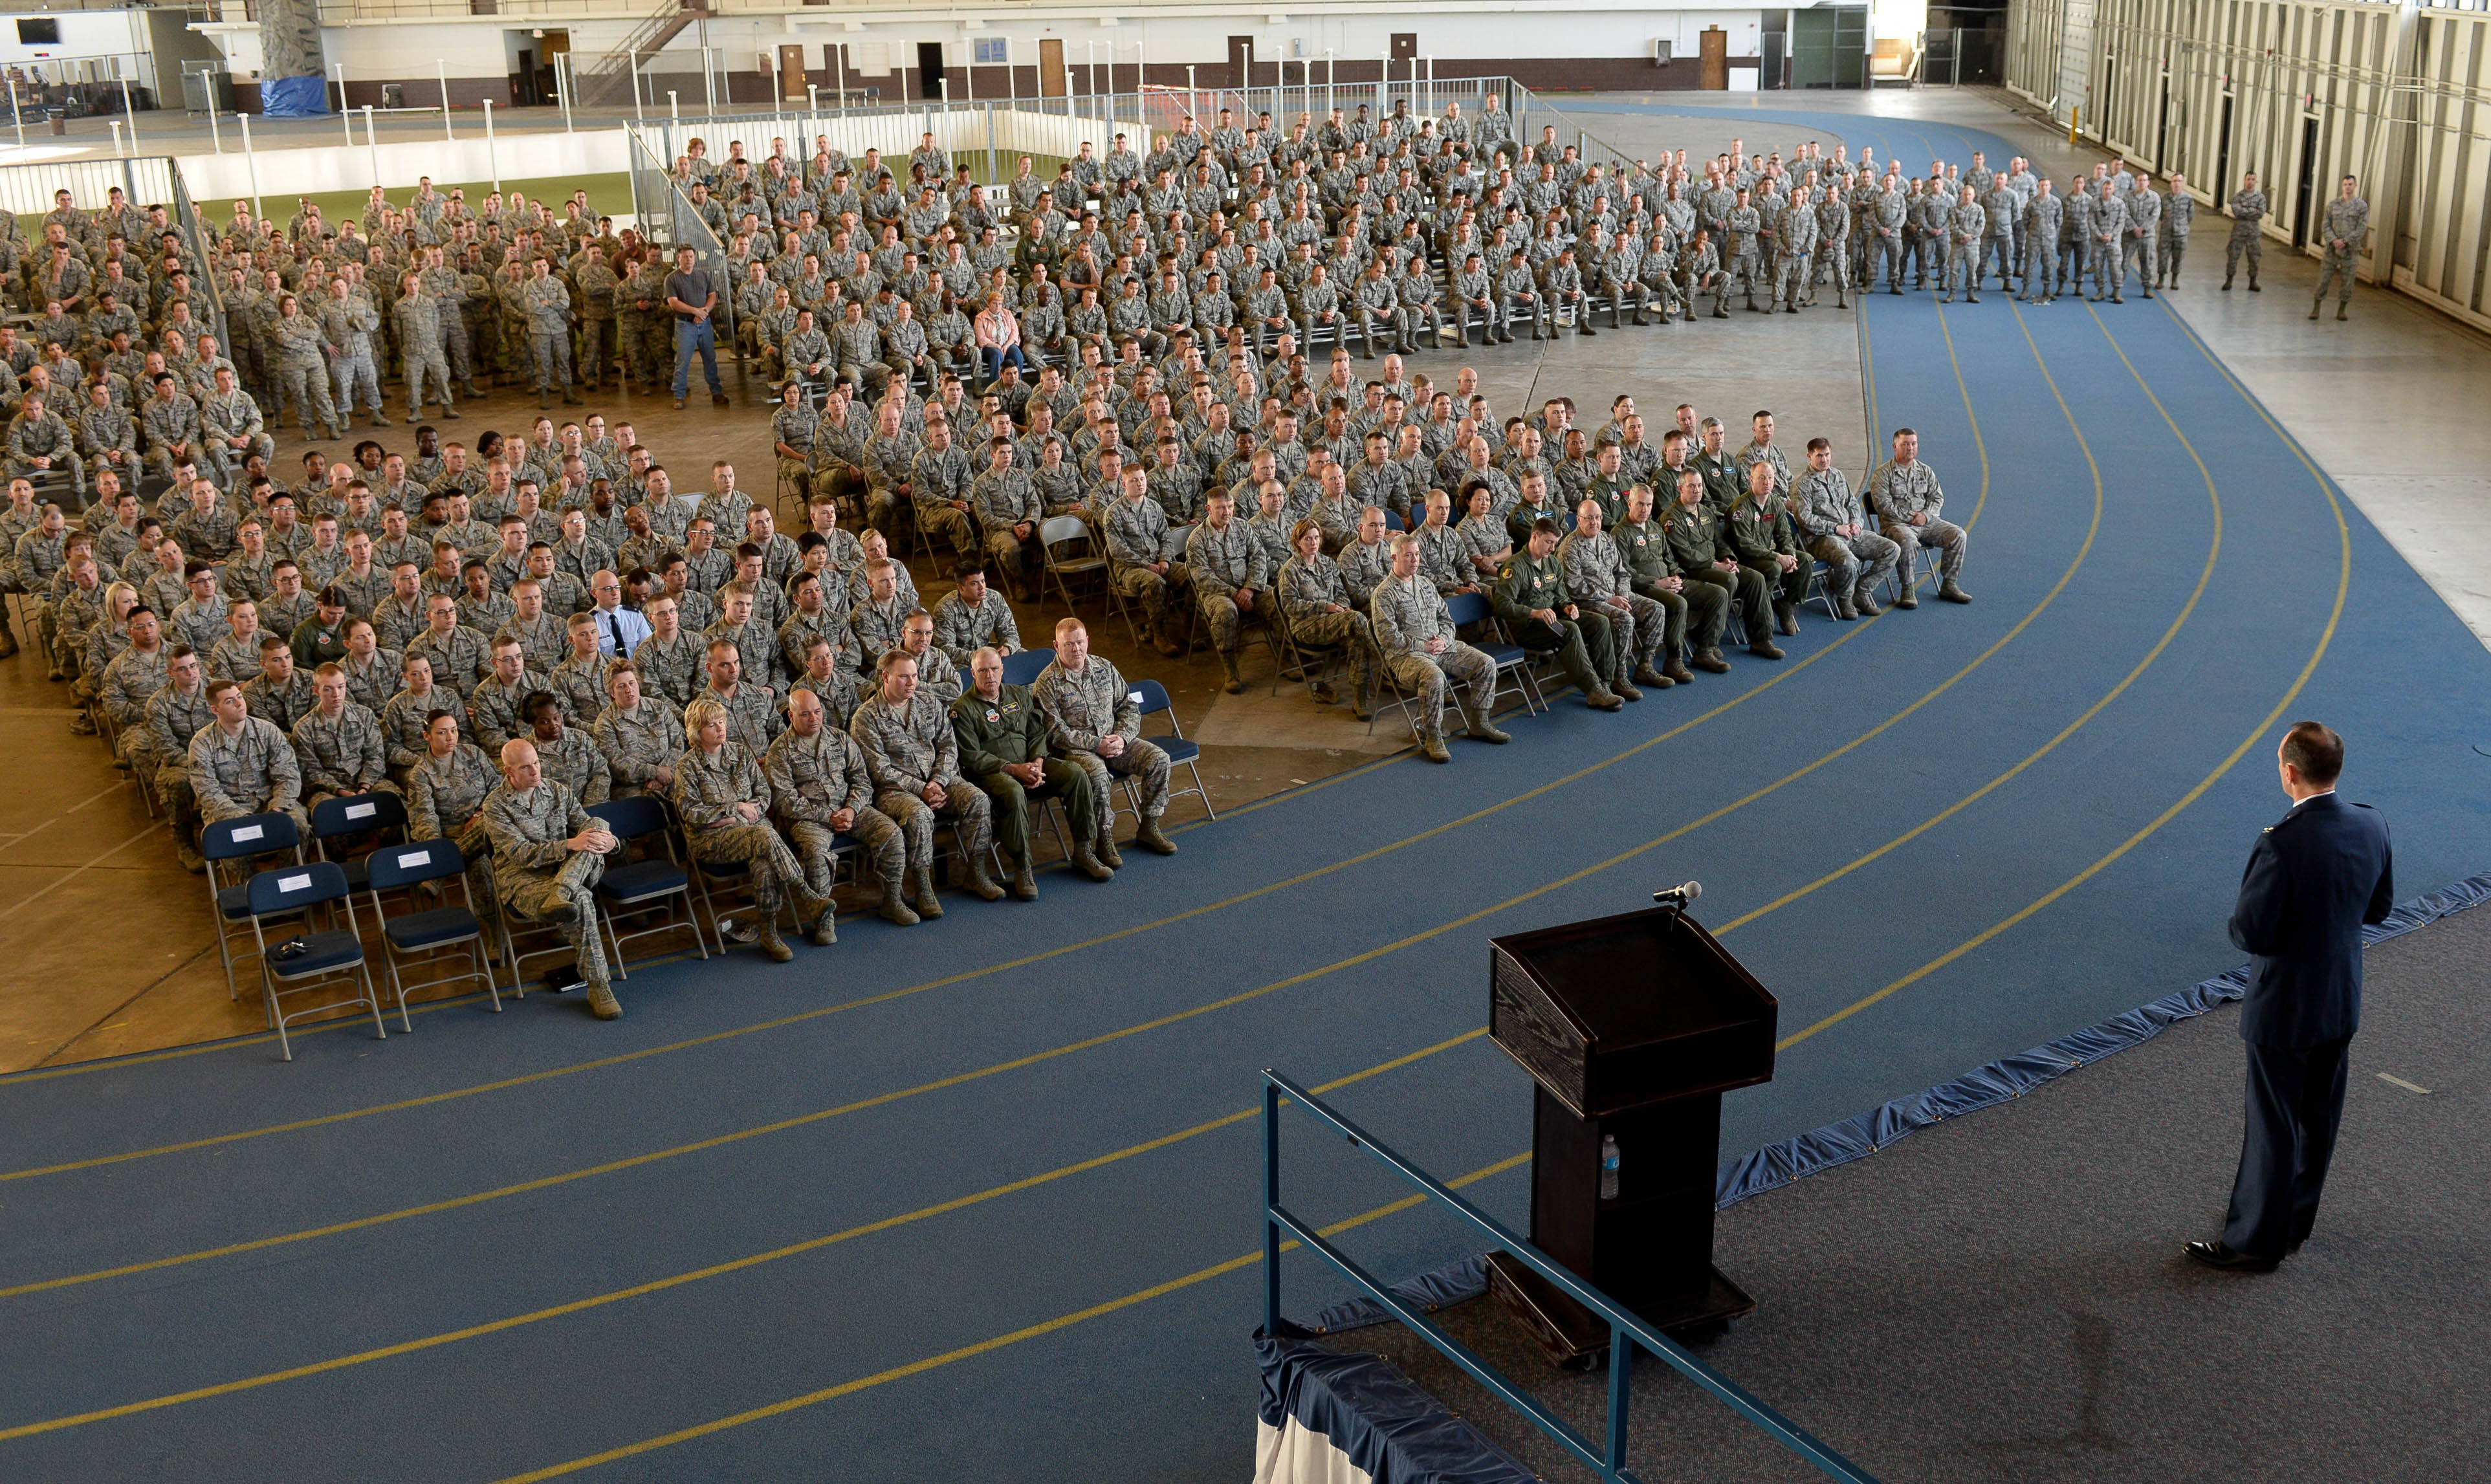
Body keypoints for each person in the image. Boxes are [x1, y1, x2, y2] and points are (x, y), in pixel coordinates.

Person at [2188, 722, 2393, 1272]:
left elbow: (2251, 933)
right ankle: (2295, 1224)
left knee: (2273, 1125)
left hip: (2284, 1008)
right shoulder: (2373, 824)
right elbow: (2378, 910)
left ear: (2290, 773)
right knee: (2317, 1118)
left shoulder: (2280, 844)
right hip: (2341, 996)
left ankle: (2255, 1241)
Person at [674, 693, 839, 958]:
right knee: (764, 835)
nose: (720, 728)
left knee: (763, 862)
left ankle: (769, 932)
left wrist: (738, 817)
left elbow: (764, 795)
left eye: (721, 721)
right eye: (712, 725)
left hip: (751, 831)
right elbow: (691, 812)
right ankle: (807, 895)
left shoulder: (740, 753)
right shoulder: (687, 766)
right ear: (696, 731)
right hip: (711, 841)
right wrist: (734, 808)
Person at [850, 647, 1005, 916]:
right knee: (920, 815)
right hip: (894, 791)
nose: (911, 683)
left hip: (938, 780)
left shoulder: (929, 703)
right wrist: (920, 788)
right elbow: (877, 769)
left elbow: (948, 746)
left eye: (915, 676)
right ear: (885, 678)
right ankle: (923, 885)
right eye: (903, 677)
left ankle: (976, 872)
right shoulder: (866, 717)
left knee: (977, 799)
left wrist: (938, 782)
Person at [952, 644, 1112, 896]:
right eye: (983, 671)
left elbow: (1037, 731)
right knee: (1014, 793)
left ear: (1002, 669)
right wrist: (1015, 770)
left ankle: (1084, 850)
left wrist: (1037, 763)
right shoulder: (962, 709)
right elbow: (972, 757)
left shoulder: (1018, 695)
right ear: (973, 674)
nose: (990, 676)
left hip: (1032, 763)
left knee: (1076, 774)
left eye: (994, 669)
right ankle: (1022, 868)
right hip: (995, 773)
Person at [483, 737, 622, 1019]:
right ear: (508, 772)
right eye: (525, 767)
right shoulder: (495, 806)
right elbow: (522, 855)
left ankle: (562, 889)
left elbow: (588, 830)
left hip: (568, 870)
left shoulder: (558, 791)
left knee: (597, 825)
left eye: (536, 763)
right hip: (524, 881)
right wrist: (570, 845)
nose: (535, 771)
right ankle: (599, 986)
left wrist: (612, 843)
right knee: (582, 899)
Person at [765, 685, 914, 926]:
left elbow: (861, 780)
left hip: (850, 808)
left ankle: (893, 901)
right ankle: (823, 920)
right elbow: (785, 801)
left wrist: (852, 809)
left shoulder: (840, 739)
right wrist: (828, 816)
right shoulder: (779, 752)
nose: (814, 718)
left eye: (817, 712)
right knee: (816, 852)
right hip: (810, 819)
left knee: (891, 833)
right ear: (791, 716)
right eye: (805, 714)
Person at [1032, 617, 1176, 860]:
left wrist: (1121, 738)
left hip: (1114, 740)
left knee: (1159, 760)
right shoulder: (1046, 684)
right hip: (1077, 750)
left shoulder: (1104, 668)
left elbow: (1128, 706)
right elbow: (1055, 732)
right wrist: (1097, 744)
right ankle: (1104, 838)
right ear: (1056, 646)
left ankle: (1149, 826)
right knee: (1098, 777)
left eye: (1080, 642)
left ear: (1088, 641)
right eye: (1068, 644)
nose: (1076, 649)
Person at [1370, 530, 1505, 764]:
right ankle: (1432, 735)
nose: (1415, 561)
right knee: (1434, 677)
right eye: (1409, 556)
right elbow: (1388, 638)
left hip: (1442, 647)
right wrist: (1423, 645)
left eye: (1417, 555)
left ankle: (1479, 723)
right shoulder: (1383, 594)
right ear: (1394, 559)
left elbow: (1445, 618)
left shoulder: (1425, 584)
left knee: (1486, 664)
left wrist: (1443, 638)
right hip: (1408, 656)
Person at [1865, 428, 1971, 606]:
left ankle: (1949, 584)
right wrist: (1910, 518)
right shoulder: (1882, 474)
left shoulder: (1925, 471)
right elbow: (1883, 505)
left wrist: (1926, 516)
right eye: (1905, 444)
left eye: (1913, 444)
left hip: (1927, 523)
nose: (1910, 448)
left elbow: (1937, 498)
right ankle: (1907, 589)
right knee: (1908, 541)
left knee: (1959, 535)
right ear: (1895, 446)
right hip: (1897, 525)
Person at [664, 243, 730, 409]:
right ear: (679, 258)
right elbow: (673, 303)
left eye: (691, 256)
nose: (688, 259)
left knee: (710, 359)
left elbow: (713, 296)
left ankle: (716, 392)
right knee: (683, 361)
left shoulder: (703, 275)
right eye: (685, 257)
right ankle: (679, 396)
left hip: (705, 323)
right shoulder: (672, 279)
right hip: (685, 325)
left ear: (695, 258)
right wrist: (696, 312)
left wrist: (704, 312)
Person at [2310, 175, 2367, 322]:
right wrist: (2334, 240)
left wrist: (2347, 241)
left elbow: (2362, 227)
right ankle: (2317, 307)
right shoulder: (2332, 205)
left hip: (2350, 250)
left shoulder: (2361, 206)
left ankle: (2342, 310)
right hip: (2332, 249)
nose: (2347, 187)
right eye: (2345, 184)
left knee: (2348, 281)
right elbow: (2325, 225)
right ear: (2342, 187)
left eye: (2350, 184)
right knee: (2324, 279)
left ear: (2355, 186)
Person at [2223, 171, 2266, 292]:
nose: (2250, 182)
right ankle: (2229, 279)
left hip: (2254, 232)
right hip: (2239, 231)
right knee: (2233, 255)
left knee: (2254, 257)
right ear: (2244, 180)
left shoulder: (2261, 197)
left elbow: (2261, 213)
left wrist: (2245, 210)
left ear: (2256, 181)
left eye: (2253, 179)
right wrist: (2253, 210)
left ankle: (2253, 281)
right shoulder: (2238, 197)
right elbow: (2237, 211)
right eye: (2248, 179)